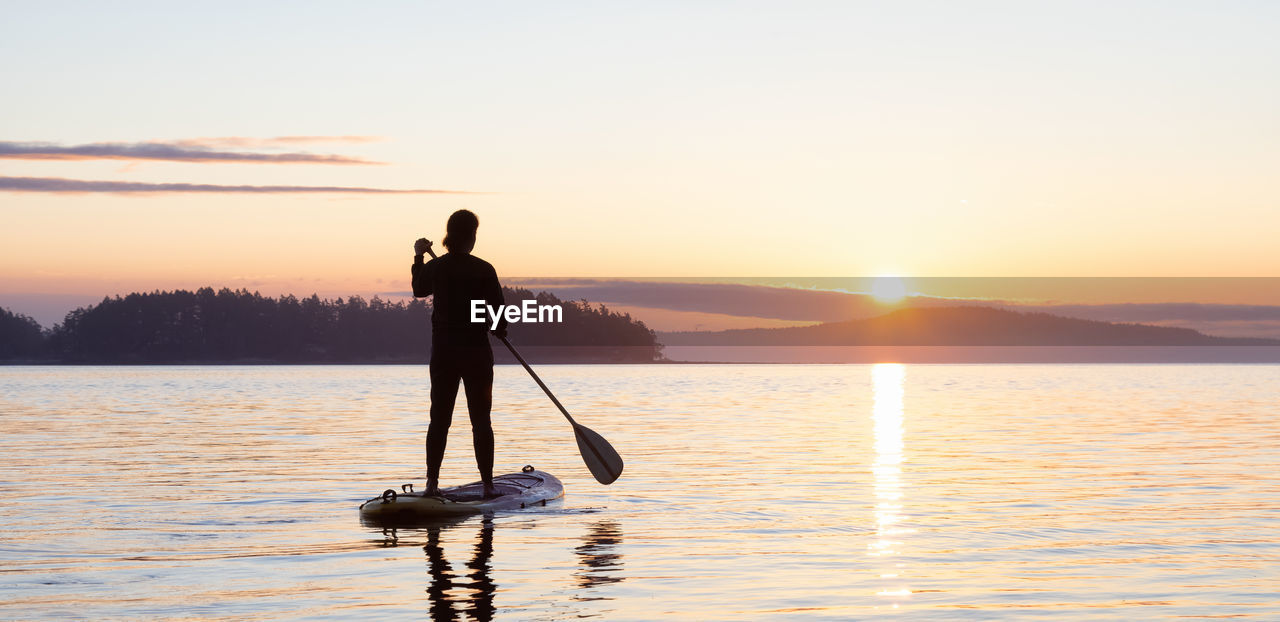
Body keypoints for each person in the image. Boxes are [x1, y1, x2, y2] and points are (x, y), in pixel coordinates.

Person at [412, 209, 507, 498]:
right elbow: (499, 317)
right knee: (481, 420)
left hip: (443, 354)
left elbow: (419, 288)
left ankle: (431, 484)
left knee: (439, 418)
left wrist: (418, 256)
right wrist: (498, 328)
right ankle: (488, 485)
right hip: (476, 353)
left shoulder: (438, 268)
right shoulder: (483, 269)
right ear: (471, 237)